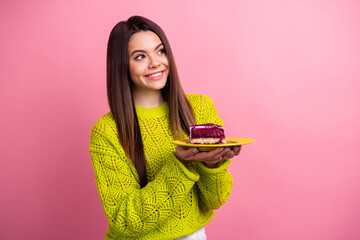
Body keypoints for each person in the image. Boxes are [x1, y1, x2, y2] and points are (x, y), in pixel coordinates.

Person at [89, 15, 241, 240]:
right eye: (140, 56)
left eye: (160, 51)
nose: (155, 62)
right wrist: (180, 164)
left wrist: (213, 163)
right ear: (122, 64)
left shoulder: (199, 108)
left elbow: (214, 200)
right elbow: (125, 220)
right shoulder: (107, 131)